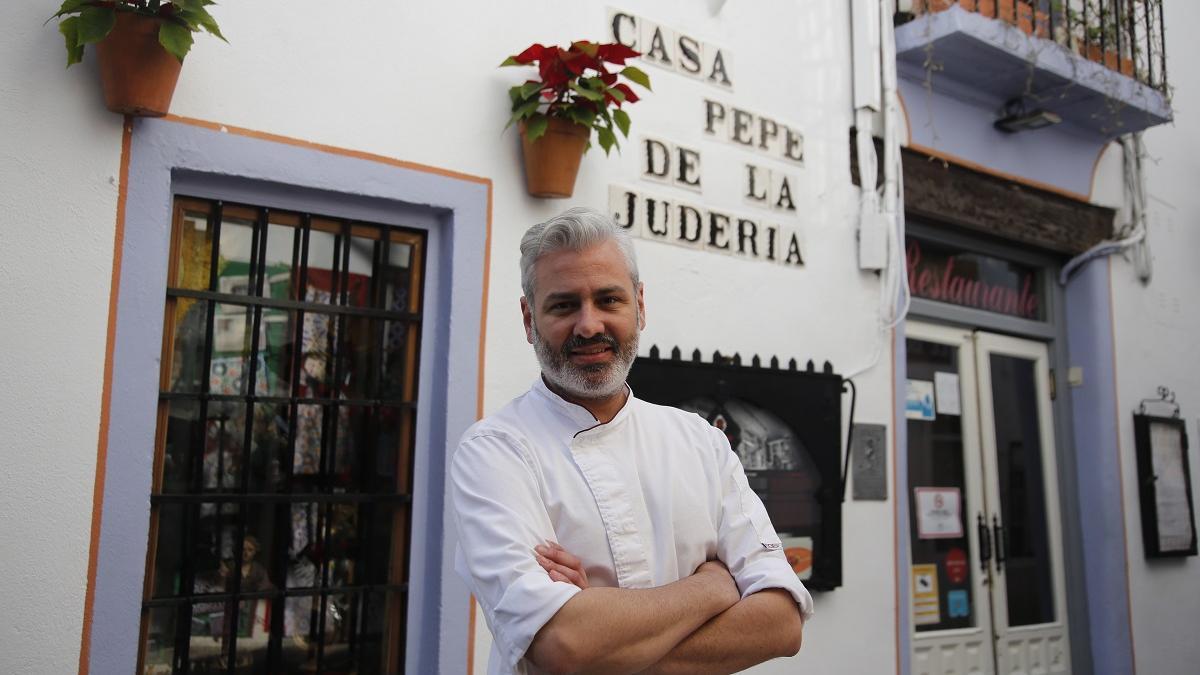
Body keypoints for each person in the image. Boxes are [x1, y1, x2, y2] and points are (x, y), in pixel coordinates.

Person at [451, 207, 813, 675]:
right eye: (563, 305)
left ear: (640, 305)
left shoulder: (701, 443)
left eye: (608, 300)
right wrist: (714, 587)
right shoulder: (495, 451)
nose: (589, 325)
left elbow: (782, 624)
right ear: (528, 318)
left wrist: (605, 633)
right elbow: (563, 643)